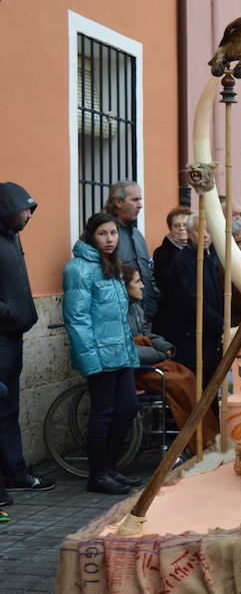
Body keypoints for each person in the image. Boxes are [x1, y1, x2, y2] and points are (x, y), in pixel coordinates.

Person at [63, 212, 141, 495]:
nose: (110, 239)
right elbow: (77, 319)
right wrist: (90, 360)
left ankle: (110, 468)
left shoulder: (112, 265)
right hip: (99, 356)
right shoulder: (78, 269)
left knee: (129, 408)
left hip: (120, 353)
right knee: (103, 413)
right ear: (90, 236)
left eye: (114, 233)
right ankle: (98, 474)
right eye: (103, 234)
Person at [122, 264, 219, 452]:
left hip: (149, 362)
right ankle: (197, 439)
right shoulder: (120, 313)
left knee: (188, 377)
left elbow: (146, 336)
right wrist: (158, 354)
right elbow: (129, 348)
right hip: (136, 370)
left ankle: (206, 435)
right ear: (125, 287)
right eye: (137, 281)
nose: (142, 286)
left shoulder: (136, 309)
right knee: (179, 383)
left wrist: (164, 346)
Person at [0, 182, 55, 513]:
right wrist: (7, 313)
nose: (29, 216)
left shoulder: (12, 237)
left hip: (14, 336)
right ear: (8, 209)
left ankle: (15, 472)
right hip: (2, 336)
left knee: (8, 410)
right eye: (25, 210)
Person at [166, 213, 224, 389]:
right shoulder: (183, 261)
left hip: (210, 337)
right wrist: (221, 324)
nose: (206, 235)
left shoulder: (210, 258)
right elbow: (192, 302)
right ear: (190, 233)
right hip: (193, 338)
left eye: (209, 230)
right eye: (200, 231)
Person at [105, 181, 160, 322]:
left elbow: (149, 270)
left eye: (140, 200)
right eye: (135, 200)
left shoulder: (137, 235)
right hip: (119, 316)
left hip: (143, 315)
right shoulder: (108, 236)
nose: (140, 205)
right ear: (118, 202)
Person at [153, 206, 191, 338]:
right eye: (177, 225)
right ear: (170, 228)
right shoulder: (161, 253)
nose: (181, 228)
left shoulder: (200, 249)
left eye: (185, 225)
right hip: (172, 312)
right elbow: (166, 282)